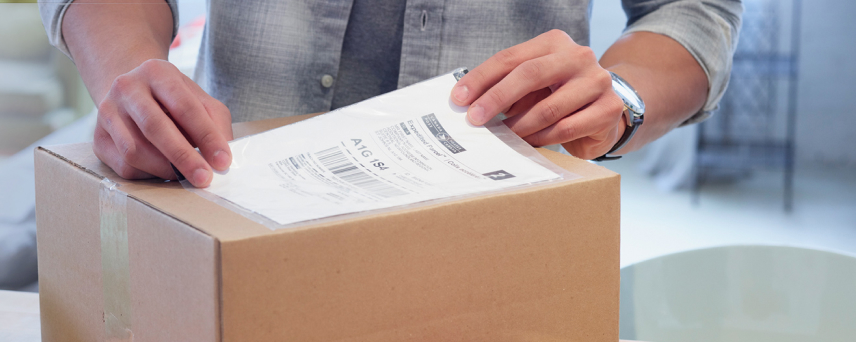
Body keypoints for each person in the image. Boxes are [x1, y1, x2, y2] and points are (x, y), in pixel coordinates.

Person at [40, 0, 741, 187]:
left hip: (503, 240)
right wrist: (129, 73)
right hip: (229, 209)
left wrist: (622, 96)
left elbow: (695, 7)